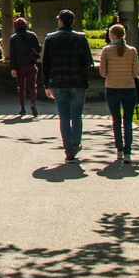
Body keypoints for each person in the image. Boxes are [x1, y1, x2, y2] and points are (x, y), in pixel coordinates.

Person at [42, 9, 93, 163]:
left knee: (63, 116)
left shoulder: (50, 39)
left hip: (58, 82)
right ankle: (76, 144)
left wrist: (46, 84)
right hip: (78, 82)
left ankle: (68, 150)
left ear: (61, 21)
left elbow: (46, 64)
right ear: (73, 22)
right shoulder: (81, 38)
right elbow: (88, 61)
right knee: (76, 115)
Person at [98, 22, 139, 162]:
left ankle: (119, 149)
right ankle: (128, 150)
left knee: (116, 120)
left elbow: (103, 73)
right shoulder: (132, 51)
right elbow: (135, 73)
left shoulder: (107, 51)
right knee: (128, 121)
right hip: (129, 88)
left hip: (112, 87)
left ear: (112, 35)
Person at [7, 15, 42, 117]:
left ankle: (22, 108)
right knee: (32, 86)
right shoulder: (32, 35)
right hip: (31, 64)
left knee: (21, 87)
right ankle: (33, 104)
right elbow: (38, 49)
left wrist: (12, 68)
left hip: (19, 66)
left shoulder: (13, 38)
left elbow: (12, 54)